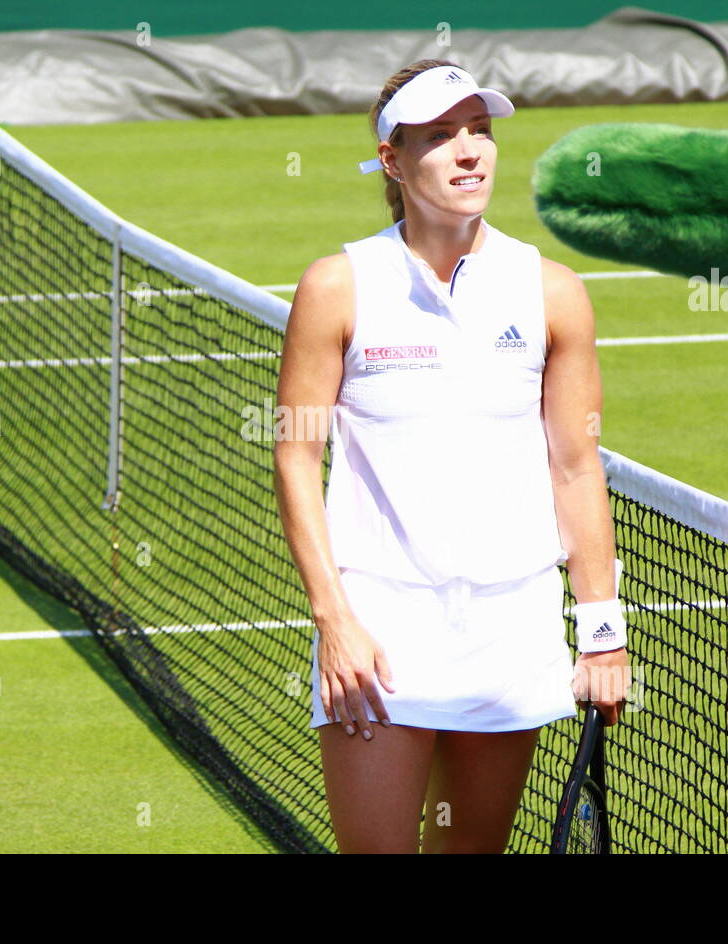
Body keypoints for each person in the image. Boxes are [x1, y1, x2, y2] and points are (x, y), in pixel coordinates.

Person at [273, 59, 629, 855]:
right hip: (378, 635)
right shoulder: (336, 286)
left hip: (512, 633)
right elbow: (296, 457)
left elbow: (575, 466)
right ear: (393, 162)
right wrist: (335, 621)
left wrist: (602, 628)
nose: (470, 151)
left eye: (481, 131)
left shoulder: (553, 291)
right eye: (441, 135)